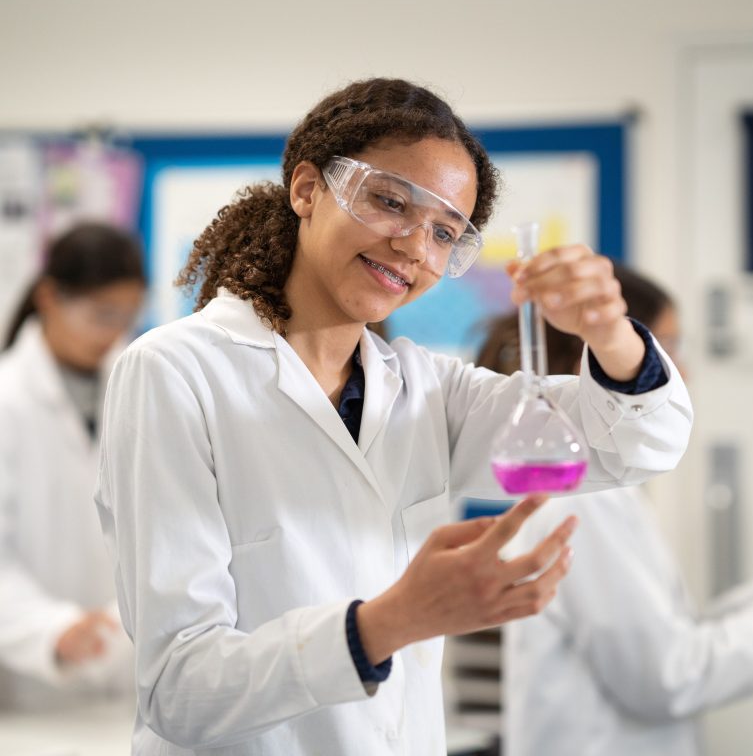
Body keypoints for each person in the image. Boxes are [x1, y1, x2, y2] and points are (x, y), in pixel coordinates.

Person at [94, 78, 692, 756]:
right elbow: (179, 688)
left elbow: (635, 447)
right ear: (308, 190)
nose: (414, 247)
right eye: (388, 201)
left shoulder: (426, 392)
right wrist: (387, 624)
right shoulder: (176, 372)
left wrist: (610, 332)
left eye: (445, 233)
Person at [495, 263, 753, 756]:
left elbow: (679, 634)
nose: (680, 371)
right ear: (604, 357)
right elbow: (666, 678)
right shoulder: (579, 502)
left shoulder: (604, 490)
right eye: (670, 346)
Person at [0, 221, 146, 710]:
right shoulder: (8, 399)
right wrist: (51, 629)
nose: (113, 332)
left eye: (126, 316)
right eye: (101, 313)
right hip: (34, 682)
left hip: (132, 669)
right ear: (48, 297)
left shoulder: (142, 388)